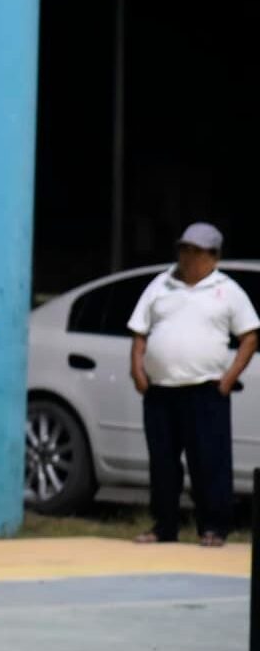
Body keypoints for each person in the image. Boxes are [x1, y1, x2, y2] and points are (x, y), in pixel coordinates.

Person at [128, 222, 258, 547]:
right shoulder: (161, 284)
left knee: (208, 462)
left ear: (213, 257)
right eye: (184, 249)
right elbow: (140, 332)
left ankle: (213, 527)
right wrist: (138, 371)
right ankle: (164, 526)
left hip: (205, 390)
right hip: (161, 390)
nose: (187, 257)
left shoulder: (227, 290)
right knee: (162, 463)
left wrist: (228, 380)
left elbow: (249, 337)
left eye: (195, 252)